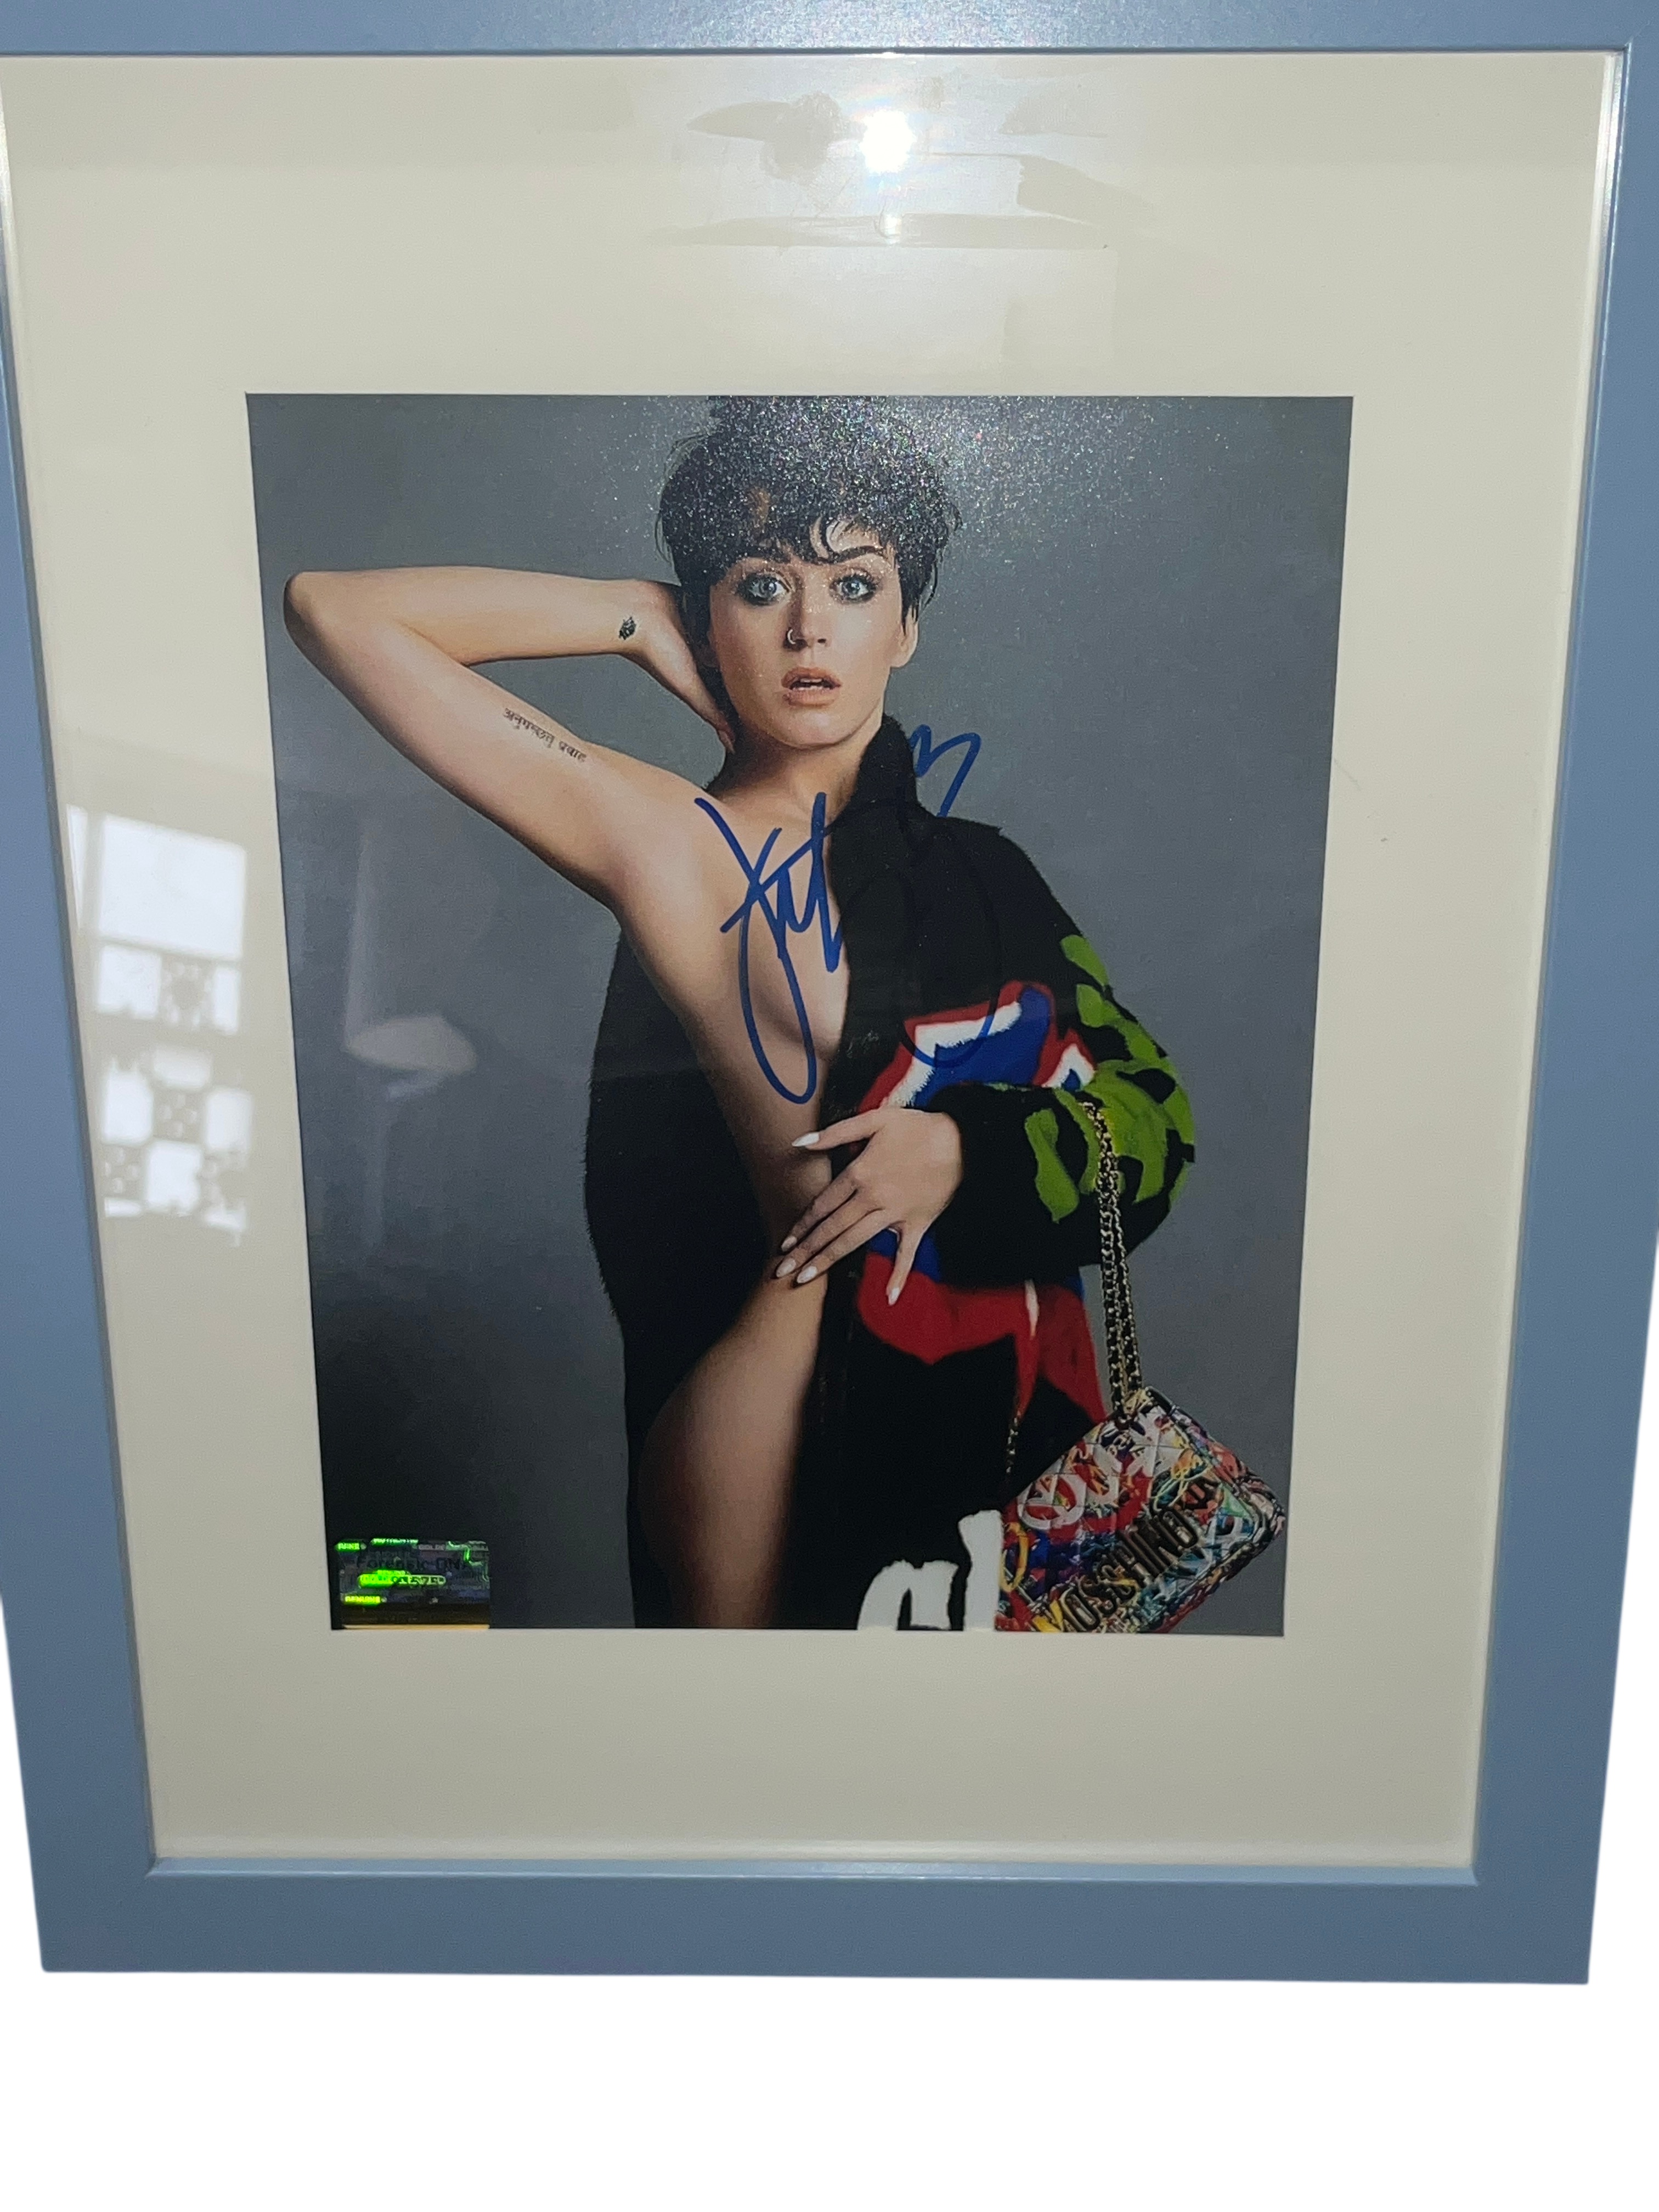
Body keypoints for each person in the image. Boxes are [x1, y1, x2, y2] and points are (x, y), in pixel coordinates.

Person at [285, 397, 1193, 1630]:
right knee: (732, 1736)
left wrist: (967, 1152)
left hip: (993, 1421)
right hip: (774, 1406)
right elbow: (336, 612)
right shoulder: (674, 842)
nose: (809, 628)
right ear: (708, 618)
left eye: (856, 587)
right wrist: (632, 615)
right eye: (763, 588)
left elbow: (1156, 1122)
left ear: (906, 626)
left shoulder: (990, 876)